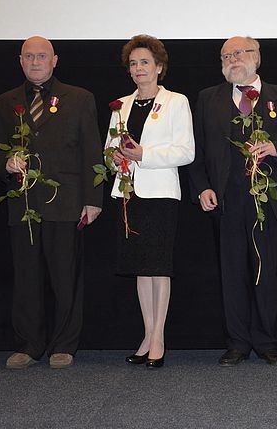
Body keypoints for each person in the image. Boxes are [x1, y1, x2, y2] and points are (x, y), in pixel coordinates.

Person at [188, 36, 277, 366]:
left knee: (265, 272)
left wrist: (276, 148)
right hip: (225, 200)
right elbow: (197, 148)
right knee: (232, 273)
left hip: (268, 199)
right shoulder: (208, 98)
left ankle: (266, 341)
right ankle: (237, 343)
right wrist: (202, 187)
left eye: (238, 53)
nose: (232, 59)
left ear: (256, 56)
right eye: (226, 55)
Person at [0, 36, 103, 369]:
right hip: (23, 202)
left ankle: (64, 345)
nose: (35, 62)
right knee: (26, 277)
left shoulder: (80, 98)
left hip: (66, 201)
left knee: (65, 277)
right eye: (29, 56)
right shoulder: (3, 102)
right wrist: (6, 164)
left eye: (42, 56)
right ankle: (29, 345)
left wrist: (93, 199)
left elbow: (91, 150)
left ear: (54, 60)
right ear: (20, 61)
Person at [105, 35, 195, 368]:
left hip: (160, 194)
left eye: (145, 62)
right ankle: (147, 334)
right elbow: (108, 148)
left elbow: (186, 152)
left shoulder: (176, 102)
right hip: (129, 194)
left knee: (158, 268)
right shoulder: (121, 105)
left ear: (159, 67)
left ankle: (159, 337)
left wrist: (144, 154)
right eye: (133, 63)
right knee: (140, 268)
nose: (138, 68)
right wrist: (115, 158)